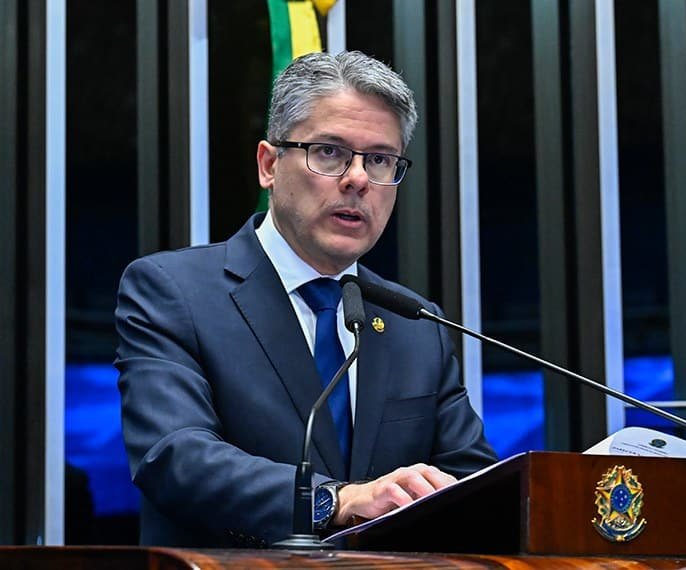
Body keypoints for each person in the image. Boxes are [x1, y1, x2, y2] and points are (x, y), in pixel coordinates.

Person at [115, 50, 497, 547]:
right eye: (330, 152)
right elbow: (174, 456)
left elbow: (474, 486)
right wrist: (334, 501)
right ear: (269, 165)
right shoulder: (174, 291)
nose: (358, 179)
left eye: (380, 160)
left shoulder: (414, 323)